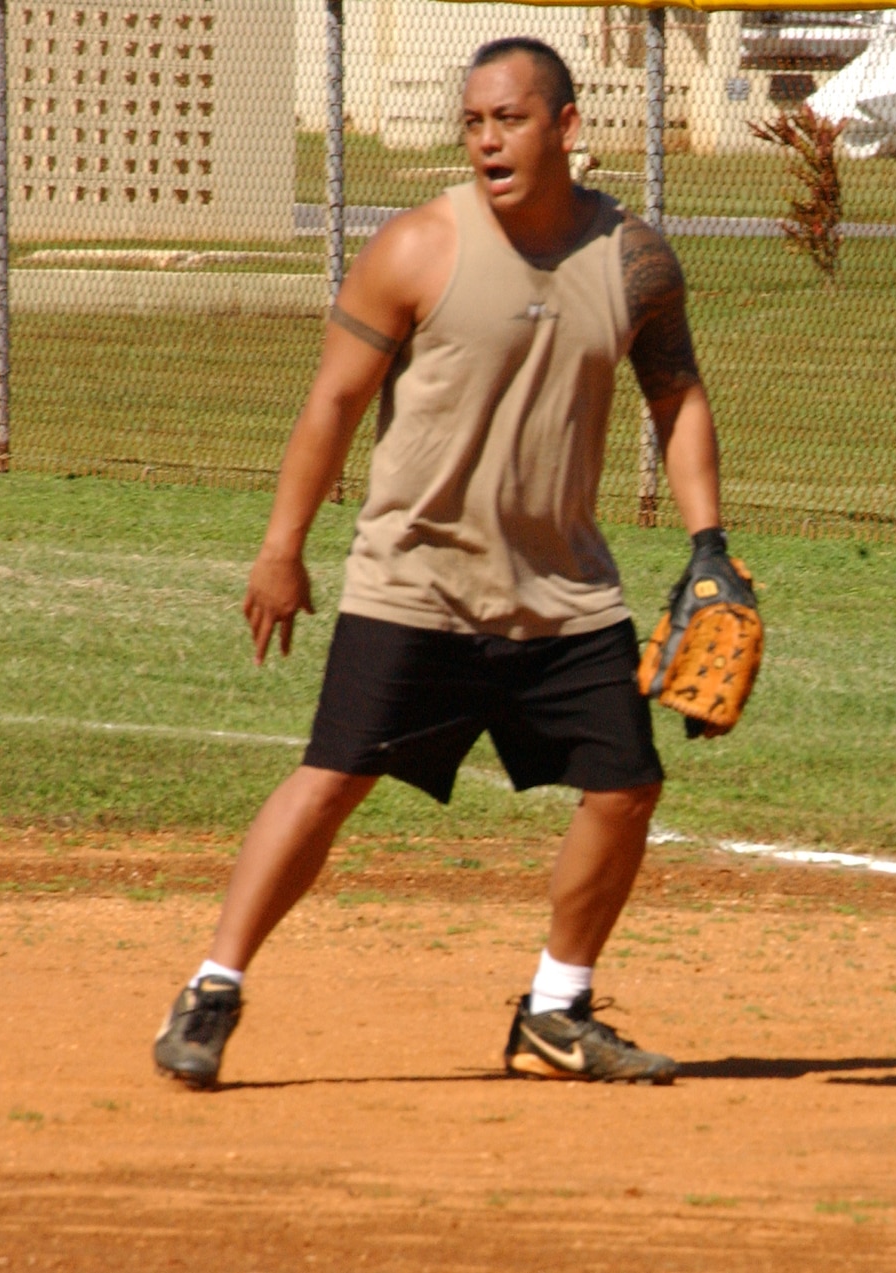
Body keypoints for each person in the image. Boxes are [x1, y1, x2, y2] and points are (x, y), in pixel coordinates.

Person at [152, 37, 728, 1087]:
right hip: (414, 579)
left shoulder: (634, 258)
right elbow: (332, 402)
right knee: (332, 781)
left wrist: (709, 548)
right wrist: (282, 548)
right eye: (472, 122)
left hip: (563, 591)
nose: (485, 140)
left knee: (626, 786)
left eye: (507, 119)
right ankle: (212, 987)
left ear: (565, 126)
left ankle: (557, 1009)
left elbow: (676, 396)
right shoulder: (417, 247)